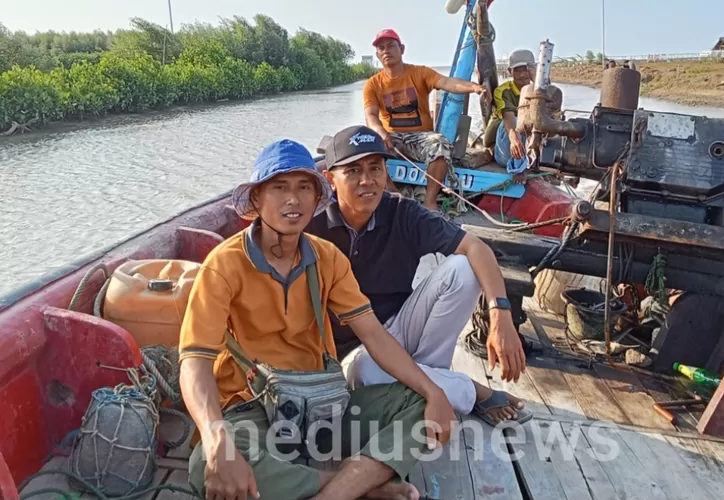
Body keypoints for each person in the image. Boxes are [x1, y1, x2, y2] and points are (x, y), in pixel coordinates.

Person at [179, 139, 457, 500]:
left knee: (420, 406)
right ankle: (360, 485)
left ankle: (335, 488)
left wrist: (433, 391)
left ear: (316, 199)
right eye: (279, 188)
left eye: (304, 188)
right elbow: (194, 361)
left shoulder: (327, 258)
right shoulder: (224, 265)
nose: (292, 200)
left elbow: (374, 335)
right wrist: (216, 438)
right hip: (253, 409)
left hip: (322, 406)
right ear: (257, 200)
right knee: (206, 465)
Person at [306, 125, 532, 429]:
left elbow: (476, 248)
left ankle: (427, 383)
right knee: (366, 371)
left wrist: (500, 316)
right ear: (331, 179)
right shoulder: (312, 225)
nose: (367, 180)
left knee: (463, 268)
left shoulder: (401, 212)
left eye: (375, 168)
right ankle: (467, 391)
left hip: (398, 327)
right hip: (349, 349)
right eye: (353, 170)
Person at [363, 29, 489, 214]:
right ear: (377, 55)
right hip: (392, 137)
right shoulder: (373, 84)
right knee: (367, 144)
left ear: (402, 49)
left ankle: (430, 202)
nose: (386, 51)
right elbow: (371, 116)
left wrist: (473, 88)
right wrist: (380, 133)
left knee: (440, 144)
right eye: (381, 48)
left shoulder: (419, 73)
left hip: (420, 136)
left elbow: (447, 83)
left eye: (391, 46)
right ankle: (392, 194)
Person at [491, 48, 536, 184]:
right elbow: (508, 118)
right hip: (507, 145)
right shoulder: (504, 91)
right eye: (518, 70)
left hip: (530, 144)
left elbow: (550, 113)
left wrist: (537, 83)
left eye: (526, 69)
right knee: (519, 122)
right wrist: (514, 140)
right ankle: (518, 168)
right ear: (510, 72)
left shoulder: (539, 90)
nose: (522, 75)